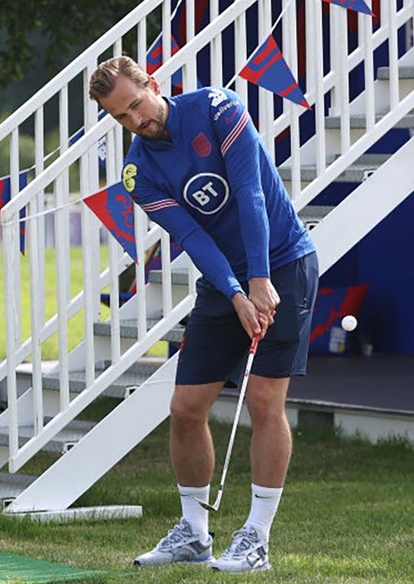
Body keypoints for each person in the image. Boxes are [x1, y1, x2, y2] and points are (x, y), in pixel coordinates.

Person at [89, 56, 318, 574]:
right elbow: (191, 236)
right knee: (186, 408)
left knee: (263, 401)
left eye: (137, 105)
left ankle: (256, 538)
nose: (137, 122)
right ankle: (194, 533)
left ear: (153, 85)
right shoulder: (138, 171)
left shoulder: (219, 108)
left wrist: (259, 281)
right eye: (121, 118)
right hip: (224, 280)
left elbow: (251, 192)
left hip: (283, 263)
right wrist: (237, 293)